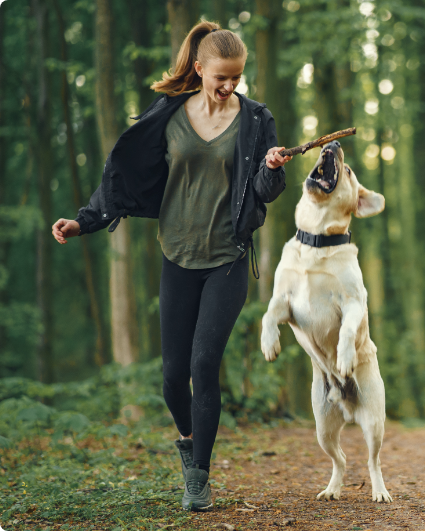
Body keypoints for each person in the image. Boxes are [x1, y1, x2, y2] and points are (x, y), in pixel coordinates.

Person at [51, 20, 291, 512]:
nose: (229, 87)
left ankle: (198, 477)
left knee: (204, 365)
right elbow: (124, 171)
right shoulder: (169, 116)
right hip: (178, 256)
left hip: (227, 257)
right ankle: (188, 439)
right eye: (221, 77)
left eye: (237, 78)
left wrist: (271, 169)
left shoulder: (255, 119)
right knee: (171, 375)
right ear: (200, 68)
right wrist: (85, 222)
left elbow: (265, 195)